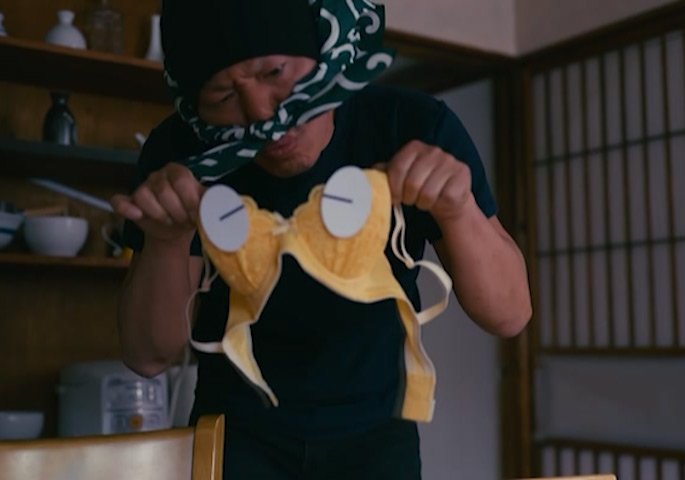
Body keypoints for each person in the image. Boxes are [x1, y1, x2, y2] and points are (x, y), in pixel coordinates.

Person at [111, 0, 532, 478]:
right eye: (224, 94)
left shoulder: (412, 127)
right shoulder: (183, 157)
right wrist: (166, 242)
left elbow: (510, 314)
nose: (261, 112)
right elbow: (147, 356)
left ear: (323, 50)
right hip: (236, 437)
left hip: (379, 435)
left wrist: (458, 210)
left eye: (274, 72)